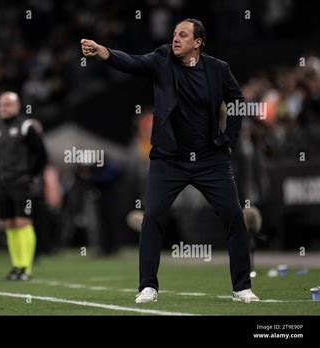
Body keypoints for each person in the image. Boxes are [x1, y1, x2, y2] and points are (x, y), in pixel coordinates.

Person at [81, 18, 259, 303]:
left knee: (234, 217)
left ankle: (242, 287)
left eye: (183, 35)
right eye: (175, 33)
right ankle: (148, 287)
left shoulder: (218, 69)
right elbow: (134, 63)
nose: (175, 38)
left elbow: (238, 102)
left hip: (209, 159)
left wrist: (228, 140)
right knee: (152, 218)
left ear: (197, 43)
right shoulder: (162, 58)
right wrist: (106, 53)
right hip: (168, 159)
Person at [0, 91, 47, 281]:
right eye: (0, 105)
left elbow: (41, 154)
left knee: (23, 222)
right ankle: (16, 266)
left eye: (7, 104)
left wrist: (30, 176)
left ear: (17, 106)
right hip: (4, 182)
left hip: (22, 182)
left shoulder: (26, 127)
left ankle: (26, 268)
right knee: (9, 223)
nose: (3, 108)